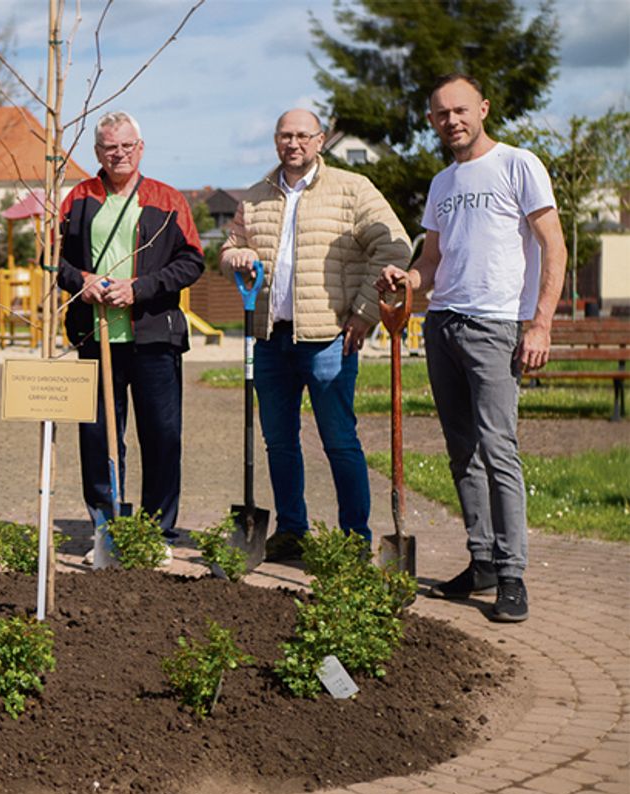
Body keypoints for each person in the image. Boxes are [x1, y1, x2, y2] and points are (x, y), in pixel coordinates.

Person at [377, 74, 566, 622]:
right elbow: (432, 263)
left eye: (460, 110)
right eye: (440, 114)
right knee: (462, 451)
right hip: (443, 325)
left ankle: (512, 574)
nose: (451, 120)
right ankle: (481, 559)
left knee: (499, 450)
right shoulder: (442, 183)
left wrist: (541, 325)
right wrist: (407, 281)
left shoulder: (519, 164)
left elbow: (553, 246)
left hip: (496, 326)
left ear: (482, 108)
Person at [220, 109, 411, 561]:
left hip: (329, 339)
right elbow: (229, 248)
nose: (294, 144)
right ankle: (291, 530)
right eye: (285, 135)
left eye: (303, 136)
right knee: (279, 441)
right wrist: (238, 257)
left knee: (339, 440)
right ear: (275, 140)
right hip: (270, 339)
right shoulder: (256, 195)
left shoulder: (352, 190)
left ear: (321, 140)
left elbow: (395, 247)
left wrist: (365, 312)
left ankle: (353, 539)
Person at [58, 111, 204, 561]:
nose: (117, 154)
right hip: (95, 336)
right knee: (99, 435)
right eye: (107, 147)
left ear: (140, 148)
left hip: (154, 337)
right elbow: (54, 260)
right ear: (97, 152)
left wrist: (139, 289)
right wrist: (79, 279)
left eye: (125, 146)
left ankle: (159, 532)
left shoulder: (167, 199)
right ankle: (107, 529)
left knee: (162, 434)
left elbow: (192, 261)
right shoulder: (78, 198)